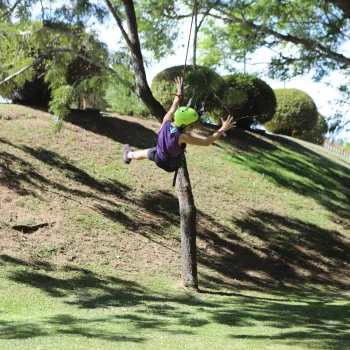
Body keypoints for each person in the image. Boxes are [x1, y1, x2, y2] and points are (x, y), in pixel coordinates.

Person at [122, 77, 235, 172]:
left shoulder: (166, 121)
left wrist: (179, 93)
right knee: (150, 152)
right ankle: (129, 155)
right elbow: (206, 142)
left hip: (158, 157)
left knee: (145, 153)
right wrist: (222, 128)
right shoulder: (181, 137)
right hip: (170, 166)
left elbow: (174, 106)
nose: (192, 127)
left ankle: (128, 156)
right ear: (184, 124)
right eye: (191, 125)